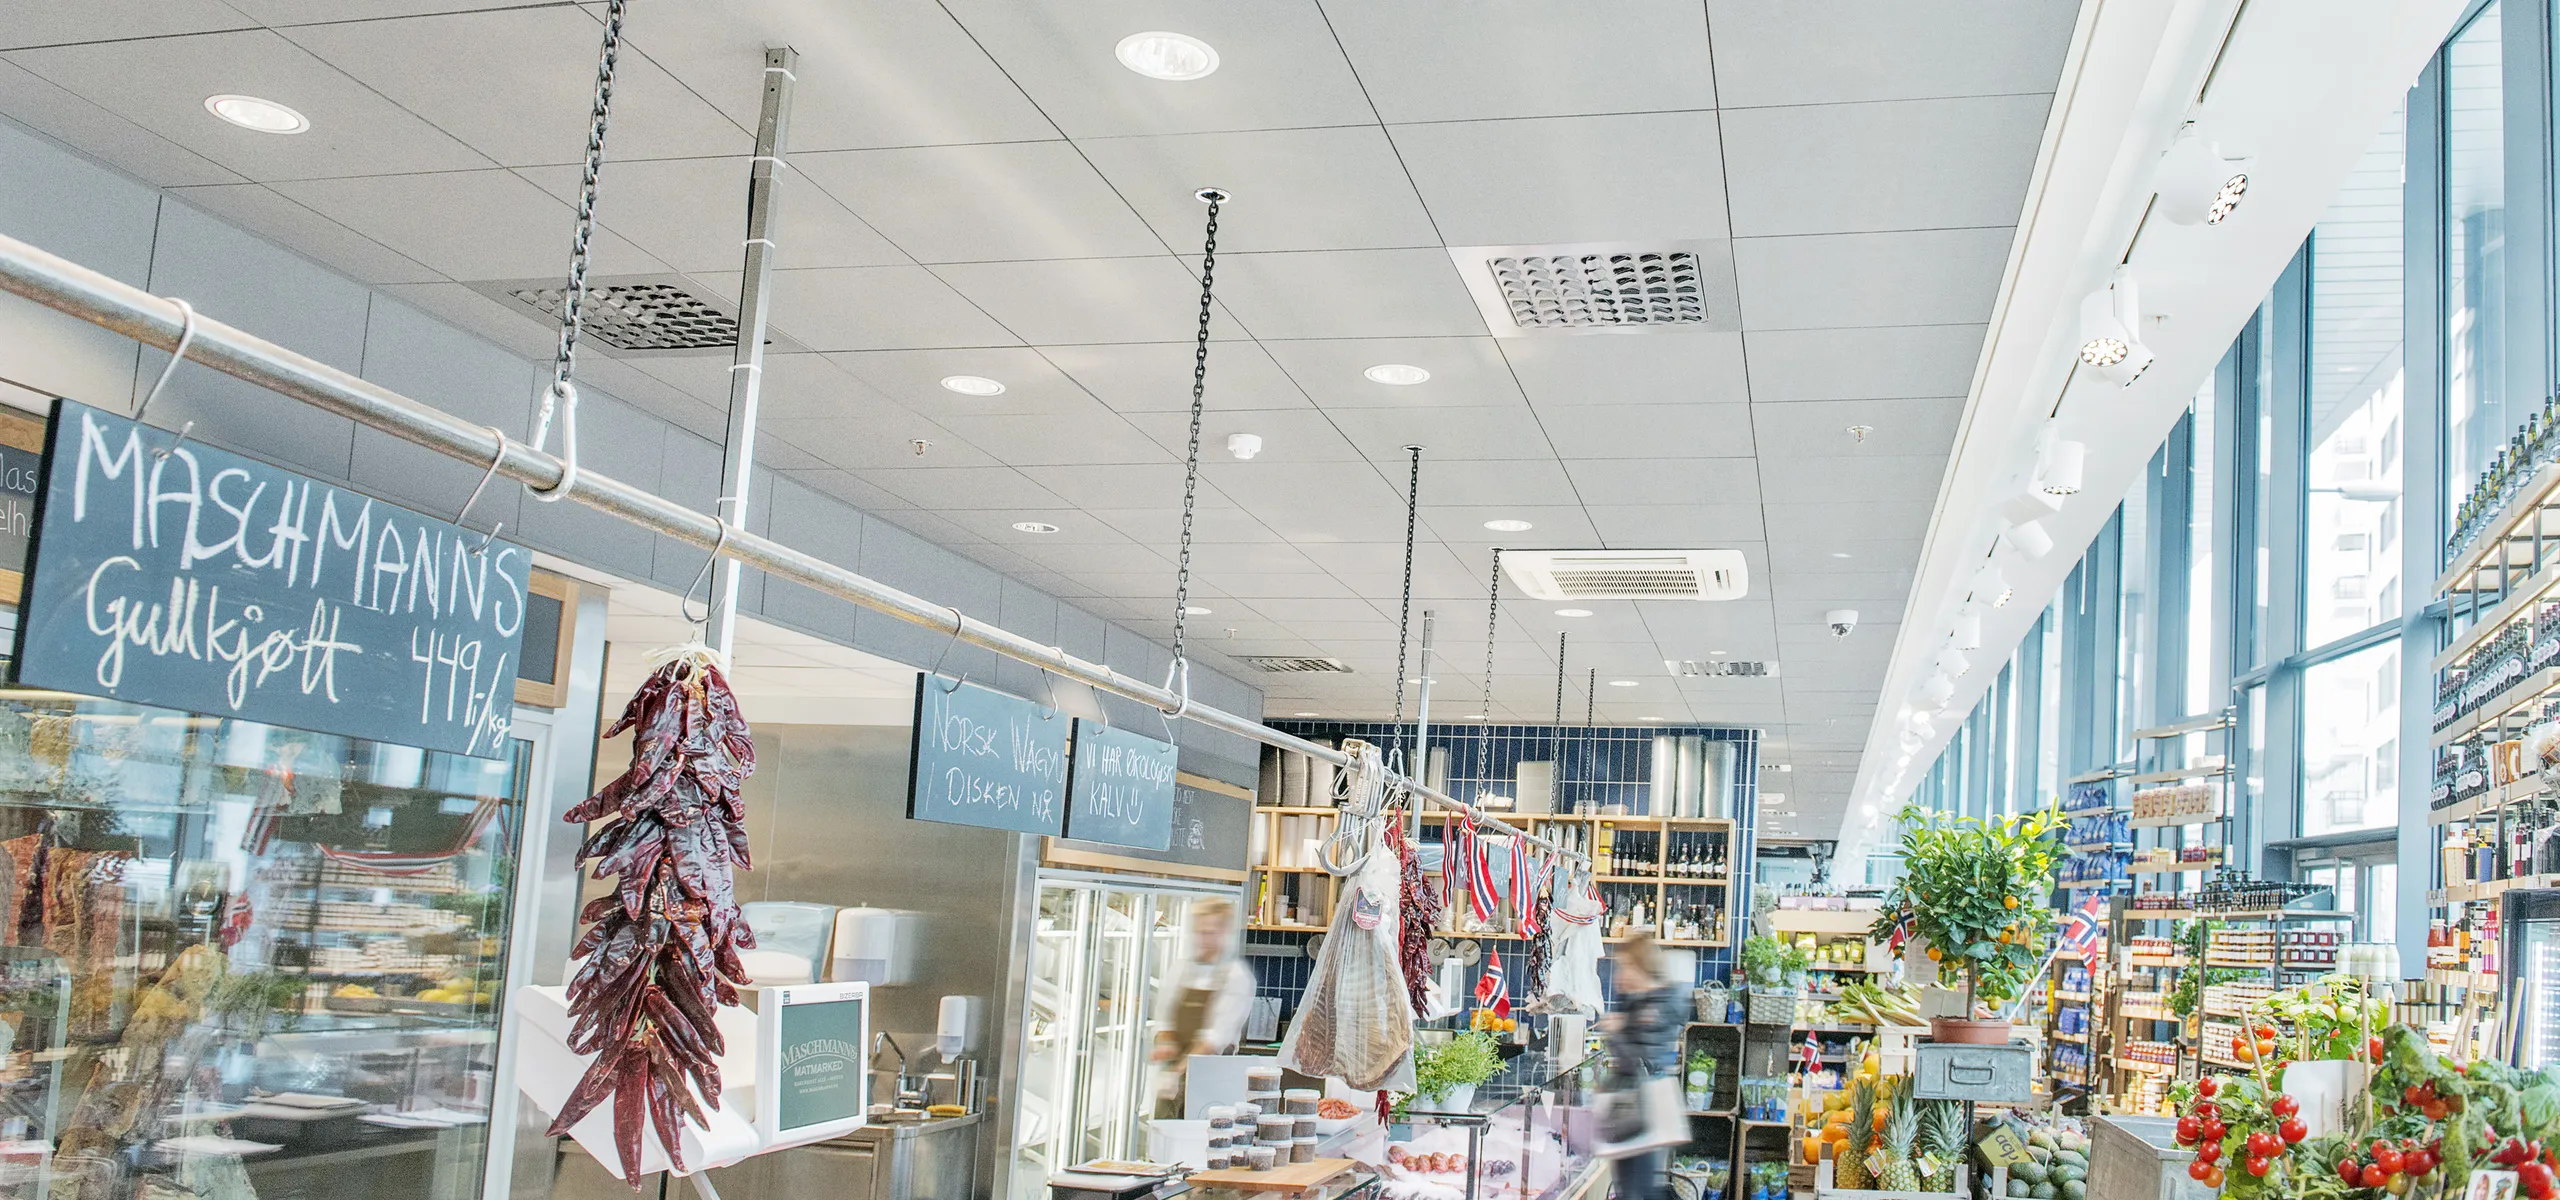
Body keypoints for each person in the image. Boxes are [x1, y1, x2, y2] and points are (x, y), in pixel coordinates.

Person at [1150, 897, 1257, 1118]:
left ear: (1225, 932)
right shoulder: (1181, 969)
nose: (1203, 939)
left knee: (1204, 1145)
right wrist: (1165, 1044)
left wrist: (1176, 1072)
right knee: (1163, 1146)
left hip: (1210, 1087)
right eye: (1199, 932)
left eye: (1210, 932)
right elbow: (1165, 1019)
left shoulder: (1236, 977)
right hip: (1172, 1083)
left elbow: (1214, 1039)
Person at [1600, 929, 1683, 1200]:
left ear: (1640, 966)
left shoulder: (1658, 1005)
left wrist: (1617, 1030)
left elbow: (1640, 1061)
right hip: (1635, 1106)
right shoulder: (1641, 1001)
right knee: (1631, 1188)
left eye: (1625, 966)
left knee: (1636, 1190)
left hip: (1645, 1107)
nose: (1620, 974)